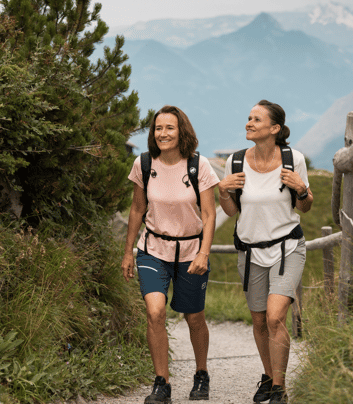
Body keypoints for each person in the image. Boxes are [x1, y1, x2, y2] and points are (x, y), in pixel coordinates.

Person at [217, 100, 313, 404]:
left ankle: (279, 389)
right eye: (248, 118)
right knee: (258, 321)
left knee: (274, 318)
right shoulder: (235, 162)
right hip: (250, 252)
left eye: (256, 119)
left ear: (274, 128)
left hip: (288, 248)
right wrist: (222, 191)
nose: (249, 123)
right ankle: (269, 376)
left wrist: (301, 188)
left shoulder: (292, 158)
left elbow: (305, 206)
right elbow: (232, 211)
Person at [122, 105, 220, 403]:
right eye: (158, 128)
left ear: (182, 132)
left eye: (169, 128)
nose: (163, 133)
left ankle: (201, 374)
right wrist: (128, 253)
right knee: (155, 311)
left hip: (191, 250)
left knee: (193, 317)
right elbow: (138, 209)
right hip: (152, 250)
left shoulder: (198, 166)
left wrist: (204, 252)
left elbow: (209, 213)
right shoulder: (143, 164)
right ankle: (161, 383)